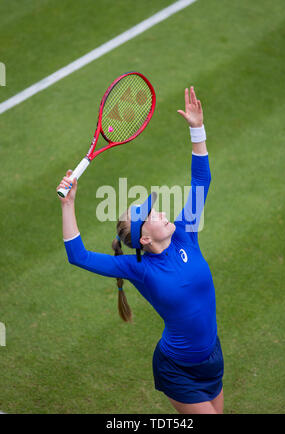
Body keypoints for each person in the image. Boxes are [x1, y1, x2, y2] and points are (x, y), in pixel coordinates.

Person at [57, 87, 224, 414]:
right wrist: (69, 205)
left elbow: (201, 179)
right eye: (153, 216)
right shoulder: (139, 270)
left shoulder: (185, 233)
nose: (162, 213)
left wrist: (196, 128)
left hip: (212, 358)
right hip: (177, 370)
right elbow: (79, 256)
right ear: (144, 239)